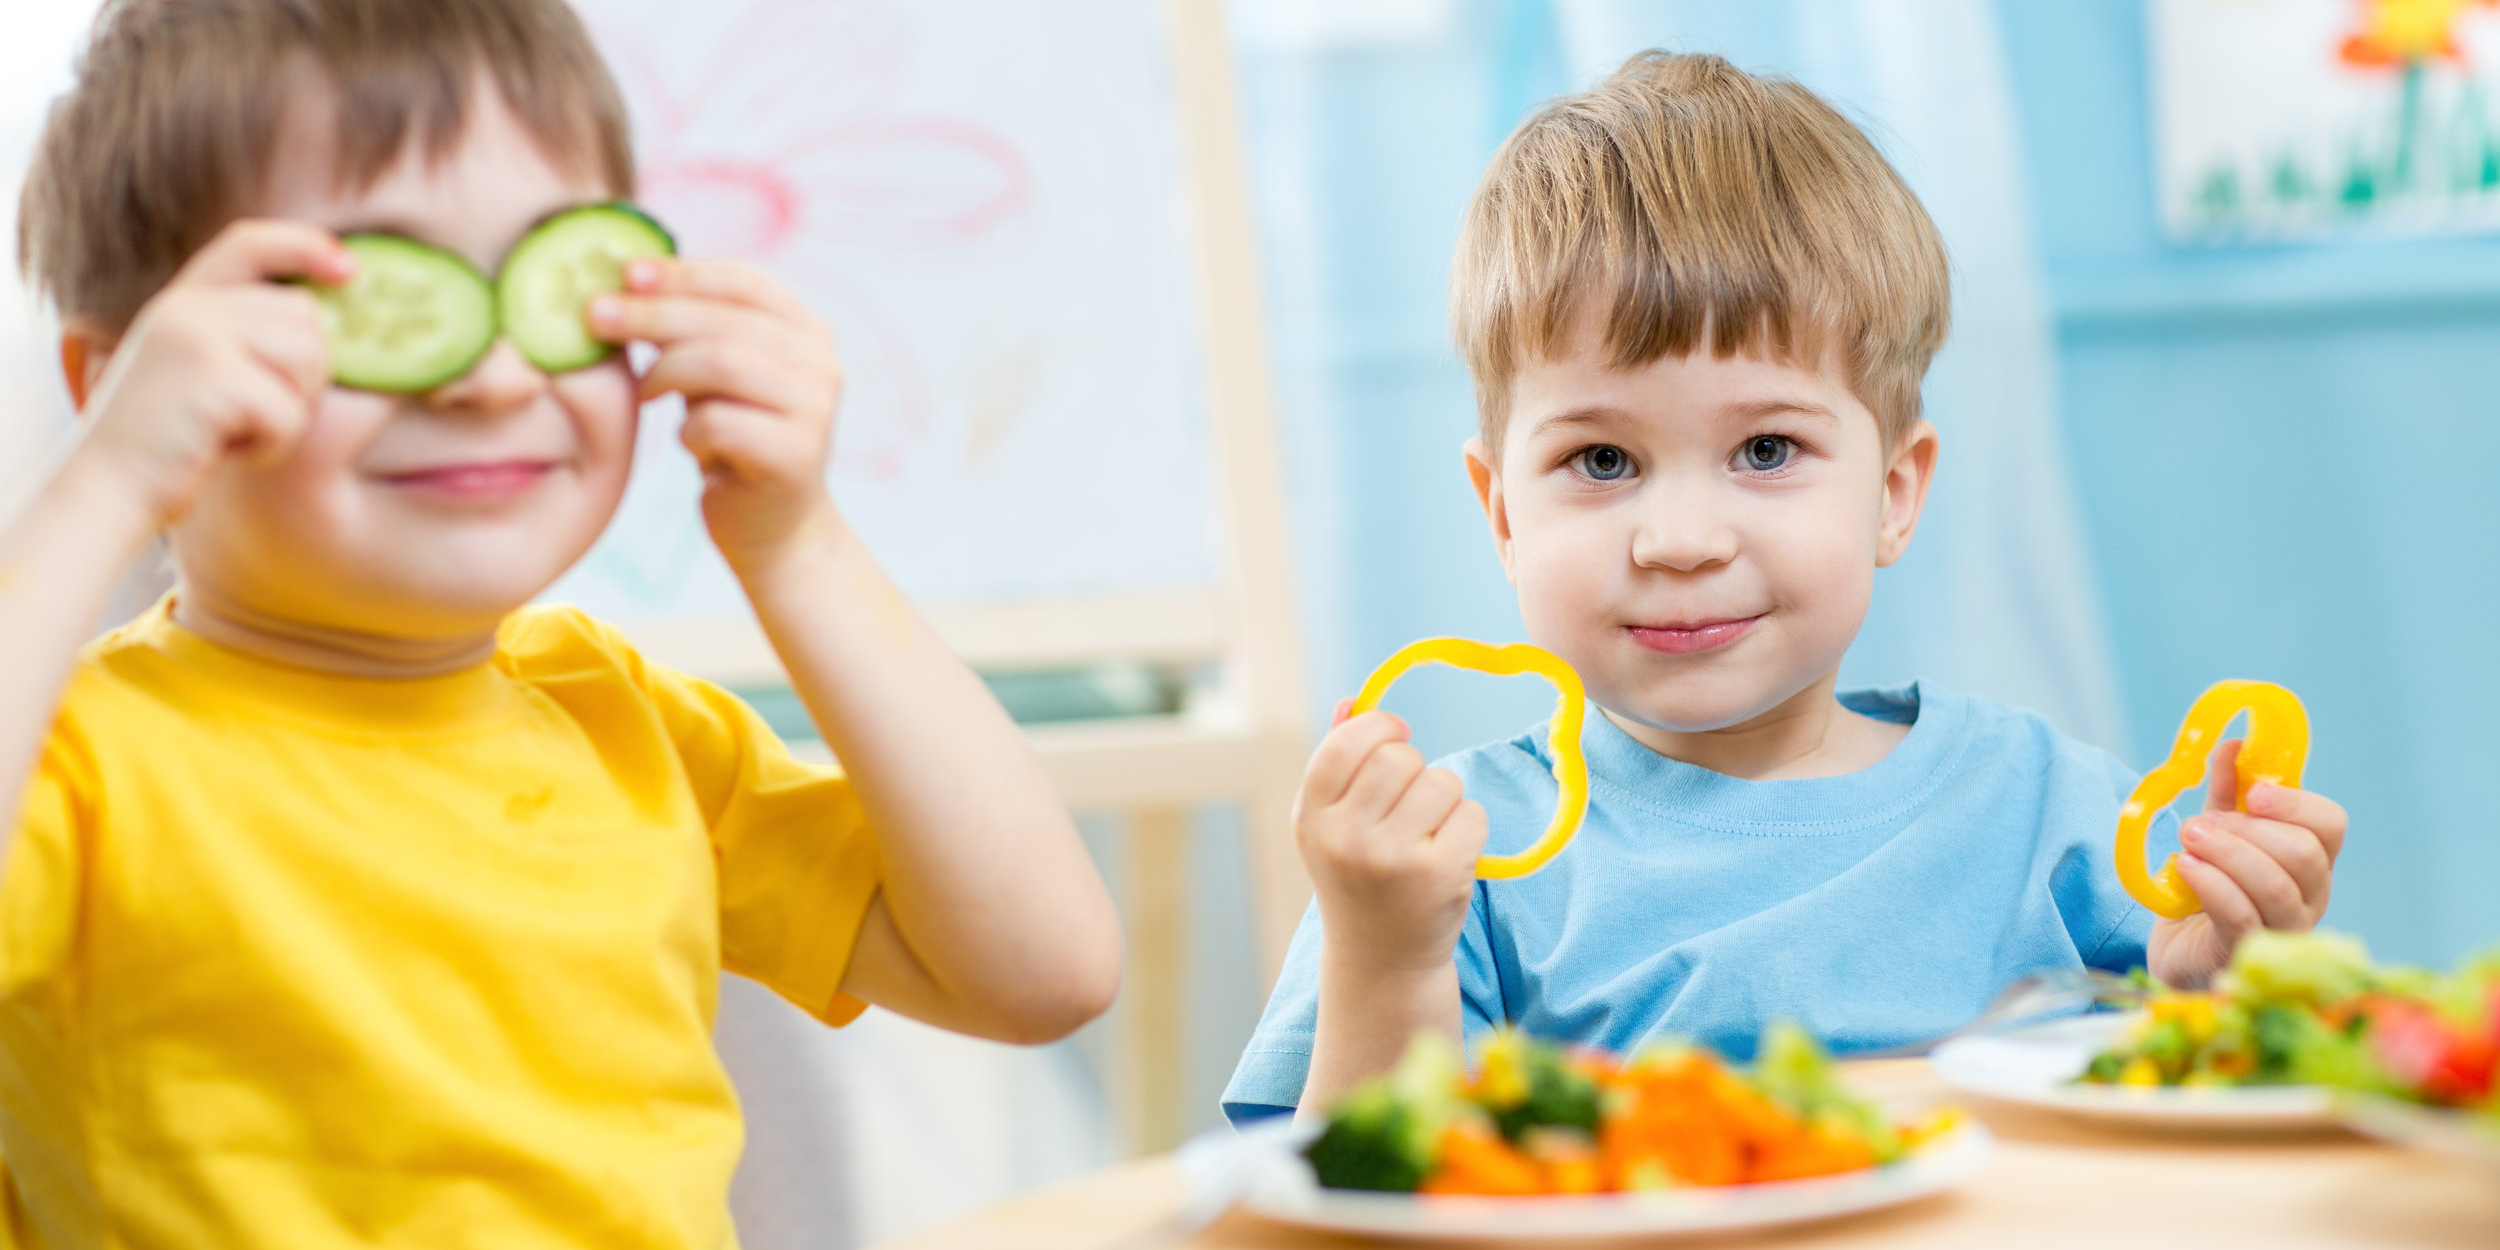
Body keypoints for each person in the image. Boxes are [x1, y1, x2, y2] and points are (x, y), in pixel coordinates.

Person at [0, 0, 1121, 1242]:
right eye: (373, 300)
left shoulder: (618, 718)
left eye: (552, 281)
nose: (490, 378)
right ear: (123, 387)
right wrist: (97, 482)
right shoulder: (78, 763)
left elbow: (1043, 970)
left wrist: (798, 545)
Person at [1221, 51, 2349, 1124]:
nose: (1678, 538)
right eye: (1600, 462)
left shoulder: (2057, 813)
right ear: (1503, 513)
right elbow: (1338, 1202)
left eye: (1764, 449)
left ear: (1894, 494)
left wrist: (2222, 985)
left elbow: (2216, 1156)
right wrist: (1384, 955)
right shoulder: (1440, 867)